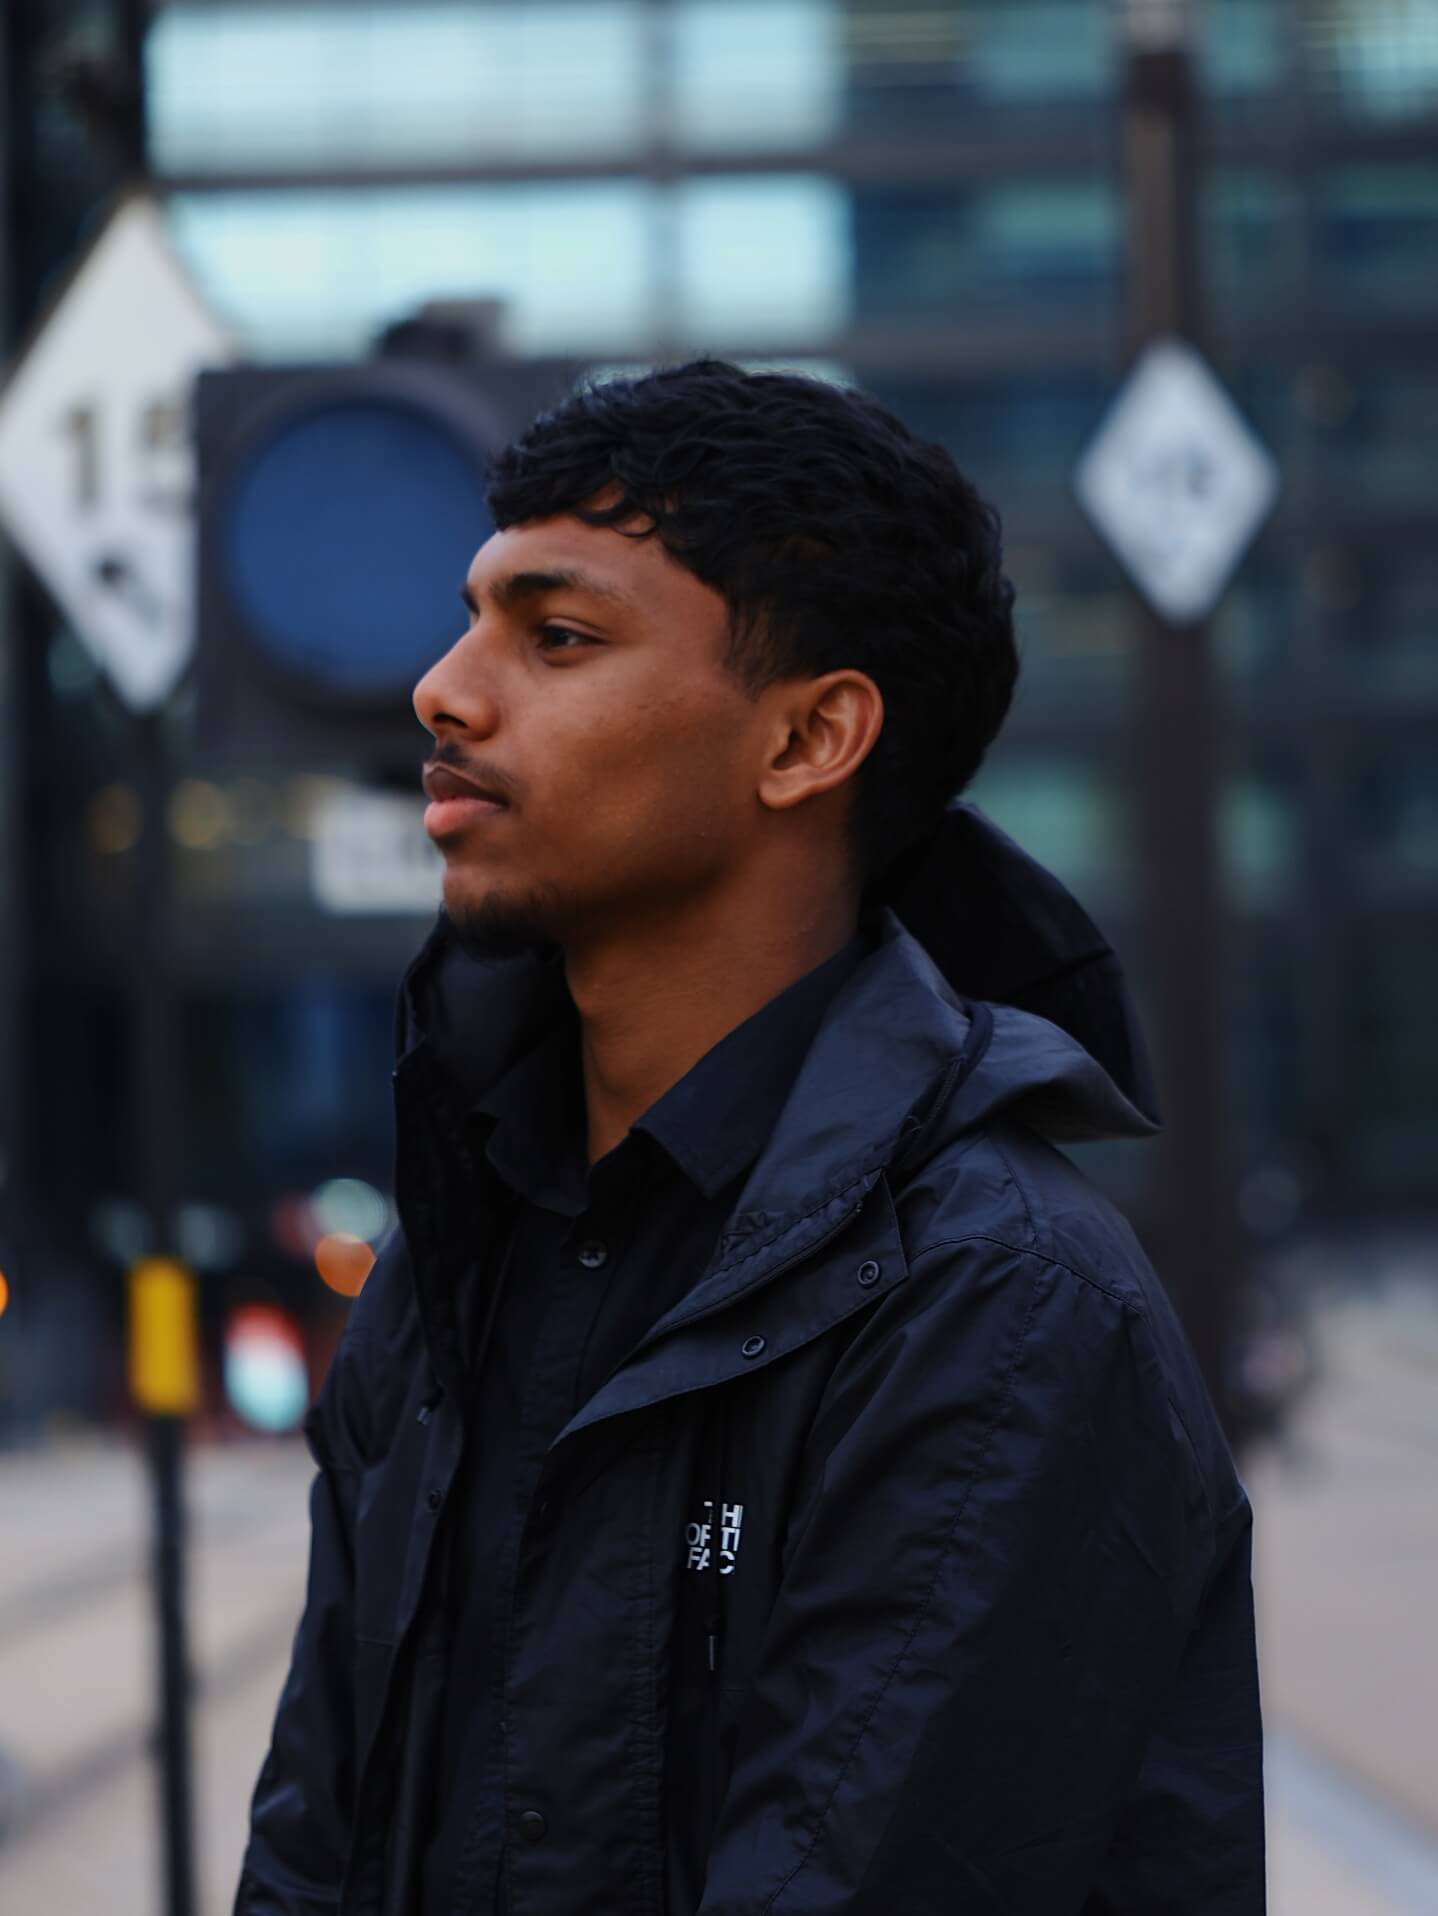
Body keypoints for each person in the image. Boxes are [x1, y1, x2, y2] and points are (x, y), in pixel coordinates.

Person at [235, 360, 1263, 1916]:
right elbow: (313, 1854)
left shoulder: (995, 1304)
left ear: (807, 742)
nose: (442, 690)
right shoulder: (449, 1267)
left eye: (556, 637)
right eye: (470, 617)